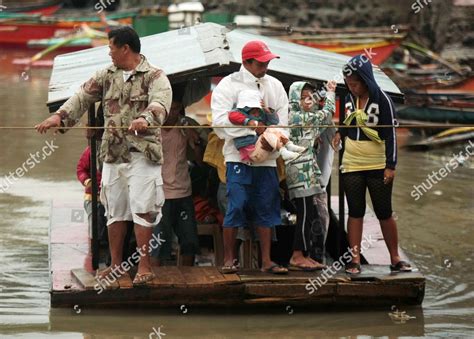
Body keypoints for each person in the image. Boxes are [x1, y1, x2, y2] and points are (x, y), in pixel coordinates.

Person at [35, 26, 172, 286]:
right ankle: (115, 264)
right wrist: (59, 117)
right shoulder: (105, 75)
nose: (109, 53)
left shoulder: (155, 76)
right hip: (113, 154)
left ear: (125, 48)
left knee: (144, 210)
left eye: (111, 47)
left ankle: (144, 266)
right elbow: (81, 97)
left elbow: (160, 105)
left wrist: (145, 119)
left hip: (142, 154)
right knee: (114, 210)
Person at [211, 40, 289, 274]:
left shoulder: (274, 85)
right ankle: (229, 259)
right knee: (236, 205)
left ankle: (266, 261)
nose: (266, 66)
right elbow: (219, 123)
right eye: (262, 62)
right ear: (246, 62)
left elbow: (284, 120)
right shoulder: (228, 85)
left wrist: (271, 137)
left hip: (267, 158)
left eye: (267, 62)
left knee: (267, 205)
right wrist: (252, 127)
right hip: (237, 158)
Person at [332, 54, 412, 274]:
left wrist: (390, 165)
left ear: (366, 79)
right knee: (355, 211)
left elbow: (391, 135)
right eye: (349, 84)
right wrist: (340, 132)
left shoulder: (382, 100)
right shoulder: (348, 98)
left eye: (355, 84)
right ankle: (354, 259)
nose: (352, 88)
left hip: (377, 163)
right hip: (352, 162)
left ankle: (395, 257)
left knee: (384, 211)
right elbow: (347, 123)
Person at [285, 80, 336, 271]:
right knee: (304, 214)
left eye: (311, 97)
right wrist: (330, 92)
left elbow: (323, 125)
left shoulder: (306, 116)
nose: (308, 101)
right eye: (303, 97)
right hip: (300, 172)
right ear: (294, 99)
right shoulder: (296, 116)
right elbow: (327, 114)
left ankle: (304, 255)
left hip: (308, 172)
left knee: (308, 213)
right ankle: (297, 256)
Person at [151, 93, 201, 267]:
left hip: (183, 192)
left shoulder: (185, 125)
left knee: (189, 241)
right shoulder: (151, 127)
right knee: (158, 243)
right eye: (170, 108)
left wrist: (193, 139)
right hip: (159, 194)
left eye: (177, 108)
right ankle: (156, 279)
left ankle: (188, 277)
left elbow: (200, 159)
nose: (173, 113)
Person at [228, 89, 305, 163]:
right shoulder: (238, 112)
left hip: (262, 147)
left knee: (272, 128)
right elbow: (232, 116)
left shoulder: (260, 111)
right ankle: (284, 151)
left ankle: (289, 145)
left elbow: (274, 122)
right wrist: (247, 121)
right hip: (251, 152)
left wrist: (267, 111)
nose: (254, 109)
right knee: (269, 132)